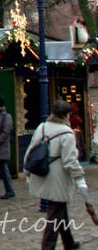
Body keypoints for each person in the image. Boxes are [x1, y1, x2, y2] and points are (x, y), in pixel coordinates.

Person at [25, 100, 86, 250]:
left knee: (60, 210)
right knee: (54, 215)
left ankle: (69, 243)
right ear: (66, 115)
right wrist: (80, 179)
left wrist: (27, 171)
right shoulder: (67, 133)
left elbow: (31, 149)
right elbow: (70, 161)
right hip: (58, 179)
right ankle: (48, 247)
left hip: (43, 175)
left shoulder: (42, 127)